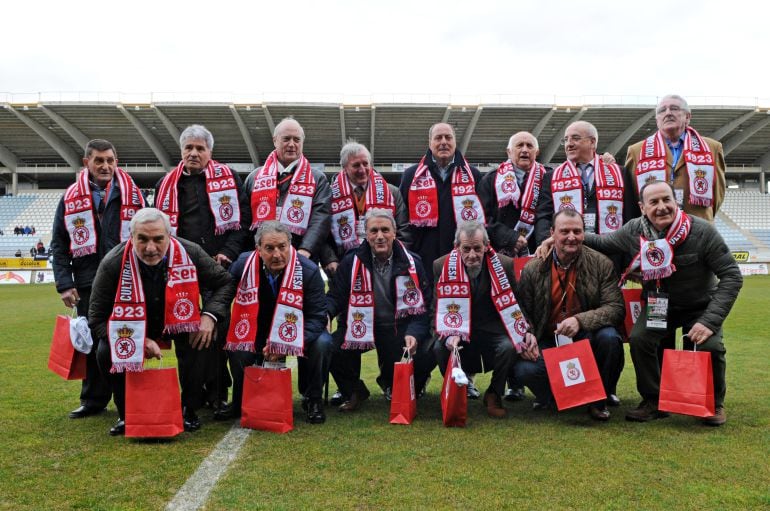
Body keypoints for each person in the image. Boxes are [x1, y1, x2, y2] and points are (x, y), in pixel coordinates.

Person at [580, 181, 742, 426]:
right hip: (659, 306)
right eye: (653, 202)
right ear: (642, 207)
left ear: (676, 201)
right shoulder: (633, 230)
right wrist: (566, 237)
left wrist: (709, 321)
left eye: (666, 199)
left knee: (711, 347)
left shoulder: (702, 231)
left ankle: (713, 403)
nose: (662, 207)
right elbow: (603, 243)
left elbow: (732, 275)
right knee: (640, 339)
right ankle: (654, 400)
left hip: (699, 307)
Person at [89, 208, 235, 435]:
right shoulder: (112, 263)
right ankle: (127, 413)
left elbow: (225, 282)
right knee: (106, 350)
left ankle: (189, 408)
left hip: (180, 319)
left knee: (202, 337)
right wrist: (138, 341)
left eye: (158, 239)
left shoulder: (191, 251)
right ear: (131, 237)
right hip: (134, 326)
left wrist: (209, 316)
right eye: (143, 240)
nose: (150, 248)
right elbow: (96, 318)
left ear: (170, 236)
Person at [154, 124, 251, 415]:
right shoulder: (165, 184)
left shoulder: (229, 178)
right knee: (187, 335)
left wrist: (227, 253)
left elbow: (243, 220)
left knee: (218, 333)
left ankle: (218, 393)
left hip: (218, 266)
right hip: (179, 269)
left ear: (210, 152)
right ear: (181, 151)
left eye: (200, 148)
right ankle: (192, 396)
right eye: (189, 148)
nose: (194, 153)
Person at [51, 139, 145, 420]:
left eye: (110, 161)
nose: (105, 166)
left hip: (127, 278)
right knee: (92, 341)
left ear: (116, 162)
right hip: (87, 281)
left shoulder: (135, 195)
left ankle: (131, 398)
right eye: (99, 161)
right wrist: (64, 283)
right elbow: (58, 243)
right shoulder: (70, 197)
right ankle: (93, 399)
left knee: (129, 337)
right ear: (86, 163)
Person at [400, 122, 486, 399]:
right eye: (438, 138)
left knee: (465, 318)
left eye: (448, 137)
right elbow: (405, 224)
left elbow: (481, 221)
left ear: (455, 141)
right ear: (430, 142)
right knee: (423, 319)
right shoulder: (412, 175)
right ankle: (421, 376)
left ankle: (467, 376)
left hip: (463, 259)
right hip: (424, 262)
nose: (444, 142)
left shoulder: (472, 174)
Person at [516, 209, 625, 421]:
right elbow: (521, 310)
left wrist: (580, 320)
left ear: (584, 233)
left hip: (587, 336)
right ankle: (557, 397)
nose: (571, 237)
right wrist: (528, 334)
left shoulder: (602, 264)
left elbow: (616, 308)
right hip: (550, 339)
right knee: (524, 369)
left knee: (610, 338)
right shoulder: (533, 268)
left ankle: (597, 400)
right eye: (564, 231)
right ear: (552, 233)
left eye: (577, 231)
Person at [224, 221, 331, 424]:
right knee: (236, 344)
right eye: (269, 248)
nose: (277, 254)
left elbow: (318, 317)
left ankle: (313, 399)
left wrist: (285, 344)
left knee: (323, 343)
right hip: (257, 330)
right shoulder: (242, 264)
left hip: (298, 332)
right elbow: (224, 294)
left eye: (282, 247)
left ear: (290, 245)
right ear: (258, 249)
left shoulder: (308, 270)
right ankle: (239, 400)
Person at [326, 209, 434, 410]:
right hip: (360, 323)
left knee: (428, 351)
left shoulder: (413, 262)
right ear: (366, 234)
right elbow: (336, 296)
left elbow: (424, 309)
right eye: (374, 231)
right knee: (328, 347)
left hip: (398, 328)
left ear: (394, 233)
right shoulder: (351, 261)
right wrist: (327, 313)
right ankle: (353, 390)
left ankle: (402, 385)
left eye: (385, 230)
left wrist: (413, 334)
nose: (380, 236)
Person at [432, 221, 532, 418]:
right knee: (439, 347)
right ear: (457, 247)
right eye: (466, 249)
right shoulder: (440, 265)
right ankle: (456, 390)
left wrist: (527, 331)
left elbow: (519, 303)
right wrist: (446, 335)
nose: (472, 255)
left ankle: (494, 393)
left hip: (492, 329)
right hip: (457, 328)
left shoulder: (505, 264)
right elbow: (435, 309)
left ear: (487, 246)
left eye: (477, 248)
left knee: (509, 346)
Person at [624, 94, 726, 222]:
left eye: (674, 108)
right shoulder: (636, 151)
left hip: (698, 232)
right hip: (656, 233)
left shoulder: (712, 148)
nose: (668, 113)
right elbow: (634, 198)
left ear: (687, 117)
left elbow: (717, 195)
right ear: (657, 120)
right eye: (662, 110)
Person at [244, 118, 331, 260]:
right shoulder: (254, 177)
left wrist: (305, 250)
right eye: (286, 139)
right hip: (259, 257)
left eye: (297, 140)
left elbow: (320, 219)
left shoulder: (317, 178)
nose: (292, 144)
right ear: (274, 140)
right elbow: (245, 220)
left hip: (301, 257)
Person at [535, 121, 635, 245]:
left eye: (575, 138)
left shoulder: (619, 173)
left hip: (612, 250)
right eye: (566, 140)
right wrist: (546, 242)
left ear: (592, 142)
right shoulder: (551, 177)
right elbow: (543, 216)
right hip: (567, 249)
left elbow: (631, 215)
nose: (569, 144)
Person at [320, 140, 409, 276]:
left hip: (385, 266)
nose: (362, 170)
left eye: (365, 164)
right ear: (344, 168)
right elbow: (322, 233)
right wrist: (330, 259)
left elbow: (403, 230)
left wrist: (396, 259)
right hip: (344, 266)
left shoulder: (392, 193)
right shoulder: (329, 195)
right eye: (356, 165)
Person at [480, 131, 549, 257]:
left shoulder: (548, 177)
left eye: (529, 146)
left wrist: (544, 243)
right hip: (499, 252)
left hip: (538, 252)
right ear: (509, 152)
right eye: (519, 145)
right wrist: (510, 237)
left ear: (537, 152)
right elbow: (482, 218)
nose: (524, 150)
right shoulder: (491, 179)